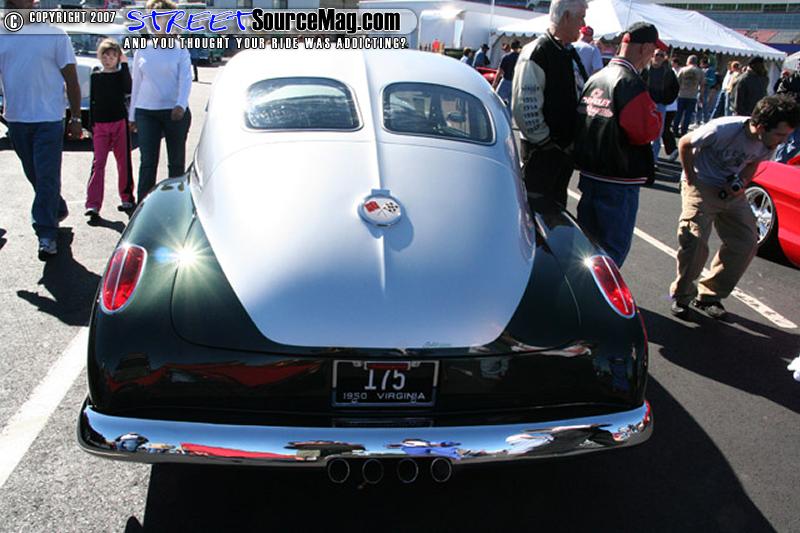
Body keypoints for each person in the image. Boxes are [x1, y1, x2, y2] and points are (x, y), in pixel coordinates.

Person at [669, 95, 799, 318]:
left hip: (730, 190)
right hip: (701, 182)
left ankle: (710, 296)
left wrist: (741, 183)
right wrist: (690, 177)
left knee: (746, 242)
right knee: (695, 239)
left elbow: (753, 163)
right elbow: (685, 144)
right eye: (780, 134)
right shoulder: (723, 129)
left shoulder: (768, 142)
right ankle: (682, 296)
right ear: (761, 127)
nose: (783, 141)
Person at [573, 22, 665, 267]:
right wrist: (656, 115)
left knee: (585, 247)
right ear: (645, 48)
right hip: (618, 178)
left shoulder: (597, 77)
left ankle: (579, 287)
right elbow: (645, 132)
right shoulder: (630, 83)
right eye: (653, 50)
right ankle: (596, 292)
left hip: (591, 172)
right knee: (610, 252)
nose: (652, 56)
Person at [0, 0, 82, 259]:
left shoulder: (55, 34)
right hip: (16, 119)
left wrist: (76, 117)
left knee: (46, 175)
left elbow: (71, 80)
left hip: (49, 119)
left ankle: (46, 234)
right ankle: (56, 207)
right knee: (35, 174)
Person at [511, 0, 589, 208]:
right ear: (566, 17)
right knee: (537, 213)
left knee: (556, 211)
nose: (583, 24)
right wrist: (548, 144)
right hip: (542, 156)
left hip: (562, 155)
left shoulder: (568, 51)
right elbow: (525, 108)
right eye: (581, 17)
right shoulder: (538, 52)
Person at [129, 0, 193, 202]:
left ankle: (176, 204)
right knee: (148, 162)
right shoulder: (142, 49)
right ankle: (143, 205)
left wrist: (180, 105)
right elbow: (136, 83)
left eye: (165, 18)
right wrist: (132, 116)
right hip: (146, 112)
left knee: (176, 163)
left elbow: (185, 79)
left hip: (174, 112)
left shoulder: (180, 49)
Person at [85, 39, 135, 220]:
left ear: (118, 58)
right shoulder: (95, 75)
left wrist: (124, 64)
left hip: (119, 122)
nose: (108, 60)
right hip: (100, 124)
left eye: (113, 57)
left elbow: (129, 88)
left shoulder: (121, 75)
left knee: (123, 161)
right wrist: (90, 124)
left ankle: (127, 197)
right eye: (105, 56)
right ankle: (93, 204)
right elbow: (92, 101)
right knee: (98, 163)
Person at [642, 47, 679, 163]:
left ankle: (653, 160)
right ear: (652, 56)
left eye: (661, 55)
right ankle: (642, 159)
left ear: (664, 58)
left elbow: (675, 88)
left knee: (657, 133)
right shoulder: (645, 70)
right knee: (642, 131)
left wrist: (666, 100)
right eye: (657, 55)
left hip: (660, 105)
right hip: (645, 104)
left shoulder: (668, 72)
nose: (658, 57)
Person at [672, 55, 705, 137]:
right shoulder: (700, 71)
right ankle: (684, 131)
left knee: (678, 113)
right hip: (692, 96)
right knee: (688, 115)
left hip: (681, 95)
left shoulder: (683, 70)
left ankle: (675, 130)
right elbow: (702, 85)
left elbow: (677, 82)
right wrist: (701, 95)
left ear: (688, 61)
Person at [774, 69, 800, 163]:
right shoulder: (789, 78)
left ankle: (784, 160)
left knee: (797, 143)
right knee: (783, 139)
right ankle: (779, 162)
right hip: (788, 115)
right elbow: (779, 93)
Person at [492, 40, 521, 107]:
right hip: (516, 83)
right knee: (511, 105)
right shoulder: (521, 58)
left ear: (511, 46)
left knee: (497, 101)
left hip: (506, 81)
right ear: (518, 47)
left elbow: (500, 71)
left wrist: (495, 83)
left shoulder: (506, 57)